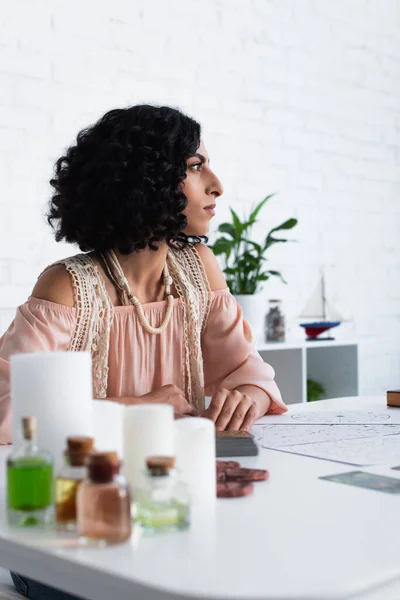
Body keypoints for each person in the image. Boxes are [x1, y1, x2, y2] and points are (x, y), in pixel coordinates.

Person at [0, 104, 286, 599]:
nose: (215, 185)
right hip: (71, 529)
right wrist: (140, 408)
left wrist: (248, 394)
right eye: (195, 167)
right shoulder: (67, 287)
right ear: (146, 178)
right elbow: (9, 415)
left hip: (167, 508)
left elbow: (249, 370)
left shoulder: (199, 269)